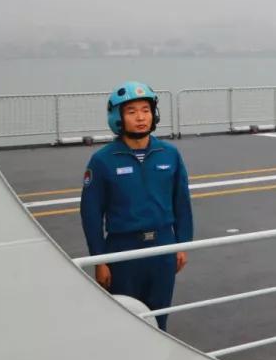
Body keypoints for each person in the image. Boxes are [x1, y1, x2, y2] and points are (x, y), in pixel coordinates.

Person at [80, 81, 193, 331]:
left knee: (159, 319)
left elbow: (182, 203)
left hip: (163, 247)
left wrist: (183, 244)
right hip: (123, 251)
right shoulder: (102, 161)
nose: (141, 118)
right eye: (131, 112)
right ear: (118, 117)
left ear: (154, 114)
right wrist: (100, 260)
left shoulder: (170, 154)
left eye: (146, 110)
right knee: (125, 322)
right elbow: (91, 214)